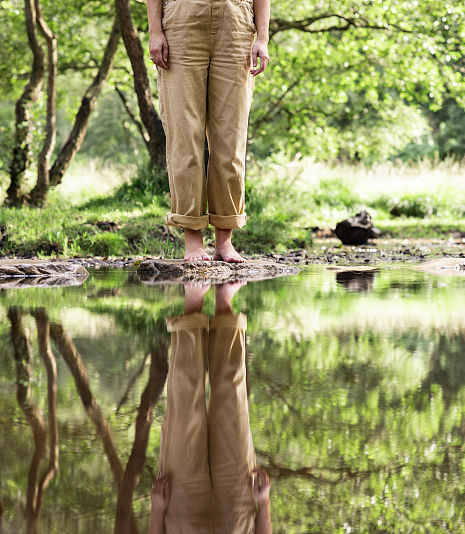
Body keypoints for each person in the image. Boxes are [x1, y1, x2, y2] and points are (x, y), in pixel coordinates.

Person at [146, 0, 271, 263]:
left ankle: (224, 242)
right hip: (182, 22)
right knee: (185, 137)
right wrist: (155, 31)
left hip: (236, 23)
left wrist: (263, 37)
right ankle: (192, 241)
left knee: (231, 140)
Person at [149, 281, 272, 534]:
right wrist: (264, 502)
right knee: (233, 404)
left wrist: (158, 511)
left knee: (184, 409)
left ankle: (193, 300)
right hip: (237, 514)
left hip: (183, 516)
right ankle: (224, 299)